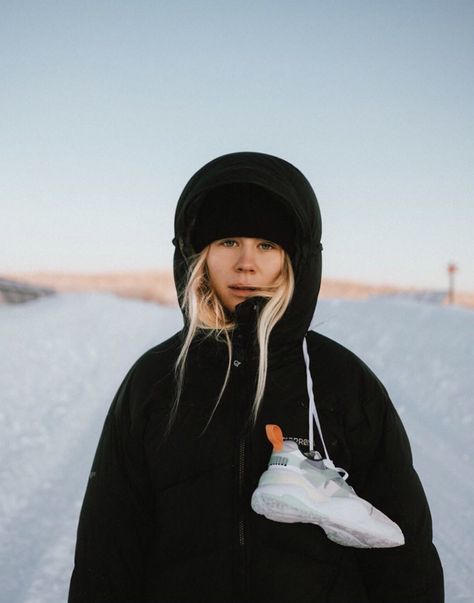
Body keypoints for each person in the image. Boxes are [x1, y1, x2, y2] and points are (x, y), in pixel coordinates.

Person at [68, 152, 444, 603]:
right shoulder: (155, 381)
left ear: (295, 258)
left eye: (267, 245)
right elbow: (107, 553)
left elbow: (405, 554)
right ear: (197, 253)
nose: (247, 263)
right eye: (228, 241)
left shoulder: (340, 381)